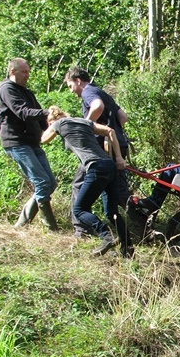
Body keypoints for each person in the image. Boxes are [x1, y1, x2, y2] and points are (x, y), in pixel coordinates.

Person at [42, 106, 134, 257]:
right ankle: (128, 249)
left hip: (96, 167)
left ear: (52, 121)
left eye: (49, 123)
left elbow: (43, 139)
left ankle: (106, 235)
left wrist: (49, 126)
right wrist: (118, 157)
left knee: (79, 209)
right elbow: (110, 131)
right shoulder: (83, 122)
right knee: (112, 212)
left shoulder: (59, 124)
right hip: (110, 166)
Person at [64, 67, 131, 237]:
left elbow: (97, 106)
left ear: (78, 81)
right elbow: (123, 117)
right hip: (119, 145)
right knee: (119, 189)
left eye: (71, 86)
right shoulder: (103, 93)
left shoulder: (88, 92)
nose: (72, 91)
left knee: (79, 183)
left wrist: (85, 127)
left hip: (101, 149)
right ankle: (143, 223)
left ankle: (82, 228)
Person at [0, 57, 58, 230]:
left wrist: (55, 123)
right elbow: (22, 112)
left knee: (50, 183)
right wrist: (47, 112)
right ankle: (50, 227)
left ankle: (21, 224)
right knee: (41, 182)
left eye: (28, 72)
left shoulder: (27, 92)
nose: (27, 75)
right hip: (17, 142)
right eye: (24, 72)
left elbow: (41, 119)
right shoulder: (6, 89)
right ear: (12, 72)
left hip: (32, 143)